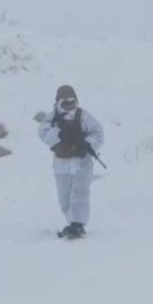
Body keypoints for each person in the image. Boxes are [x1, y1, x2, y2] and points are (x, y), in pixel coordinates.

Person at [38, 85, 104, 239]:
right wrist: (59, 135)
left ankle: (78, 223)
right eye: (65, 102)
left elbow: (98, 133)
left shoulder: (84, 116)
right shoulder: (52, 118)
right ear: (58, 102)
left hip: (82, 161)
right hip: (61, 162)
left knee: (80, 192)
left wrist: (88, 144)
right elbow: (43, 135)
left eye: (72, 102)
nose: (69, 105)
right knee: (64, 197)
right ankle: (72, 222)